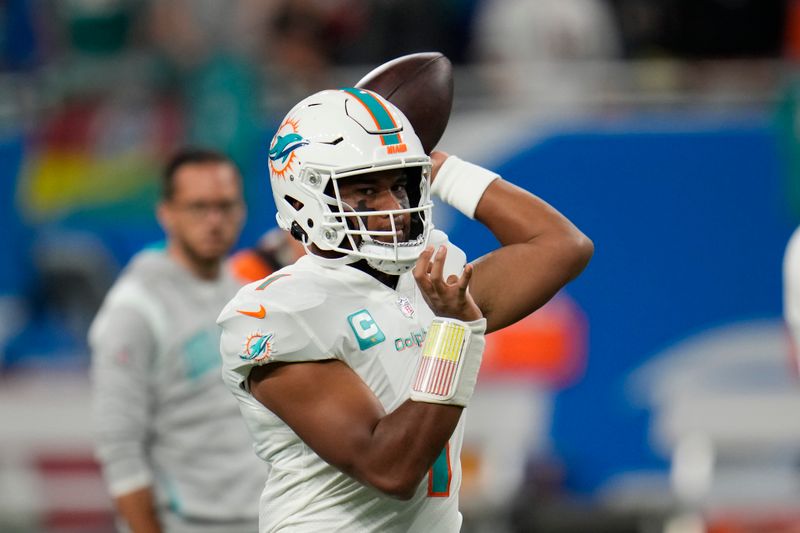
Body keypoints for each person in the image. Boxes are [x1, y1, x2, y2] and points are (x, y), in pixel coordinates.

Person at [218, 88, 593, 531]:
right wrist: (455, 331)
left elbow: (562, 246)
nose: (395, 207)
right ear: (304, 196)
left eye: (399, 184)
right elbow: (390, 468)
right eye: (366, 189)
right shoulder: (280, 311)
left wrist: (442, 168)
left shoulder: (428, 274)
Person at [89, 148, 265, 533]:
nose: (214, 221)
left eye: (225, 206)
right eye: (198, 207)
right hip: (186, 523)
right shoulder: (134, 309)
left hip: (265, 518)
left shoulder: (246, 293)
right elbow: (120, 451)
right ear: (166, 213)